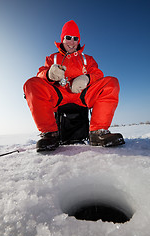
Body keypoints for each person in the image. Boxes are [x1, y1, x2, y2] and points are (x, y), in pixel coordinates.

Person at [23, 20, 125, 151]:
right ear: (62, 39)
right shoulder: (51, 58)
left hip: (82, 97)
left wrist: (87, 78)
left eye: (75, 39)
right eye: (68, 38)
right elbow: (39, 75)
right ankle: (50, 134)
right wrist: (49, 74)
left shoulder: (87, 59)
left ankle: (98, 132)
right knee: (31, 84)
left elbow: (98, 74)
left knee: (111, 82)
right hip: (59, 96)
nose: (72, 42)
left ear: (78, 41)